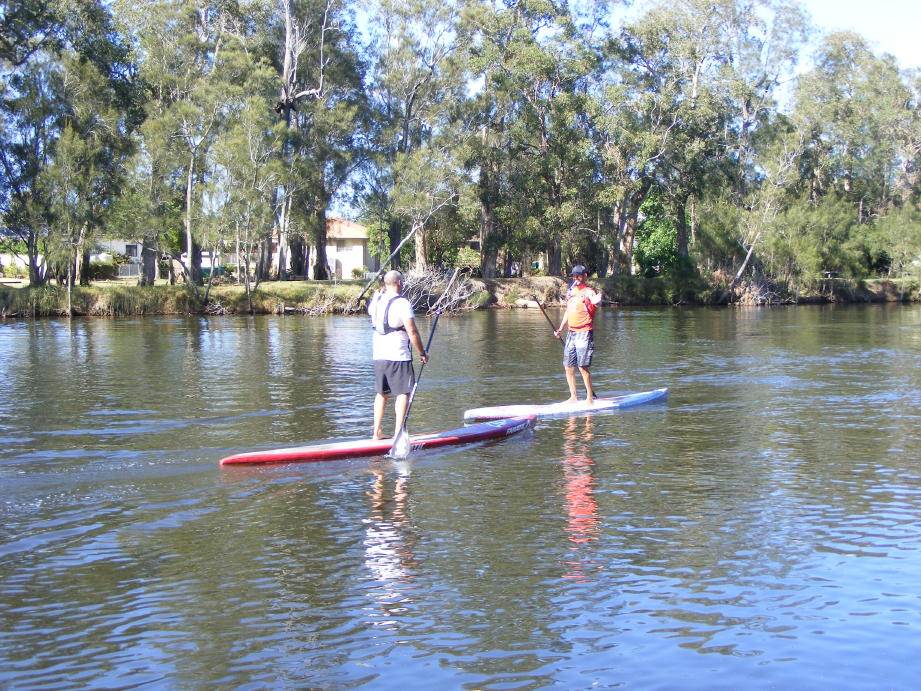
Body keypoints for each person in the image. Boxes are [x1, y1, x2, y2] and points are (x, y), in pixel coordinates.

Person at [368, 270, 428, 439]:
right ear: (400, 283)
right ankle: (398, 434)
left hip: (378, 354)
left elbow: (373, 314)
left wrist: (378, 294)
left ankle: (377, 432)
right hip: (398, 355)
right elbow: (412, 332)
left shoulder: (376, 300)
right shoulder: (402, 303)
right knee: (403, 393)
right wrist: (422, 353)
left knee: (382, 394)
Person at [554, 265, 603, 403]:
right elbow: (568, 311)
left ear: (585, 275)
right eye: (574, 276)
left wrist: (597, 300)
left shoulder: (589, 292)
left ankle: (589, 398)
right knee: (568, 366)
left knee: (582, 367)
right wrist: (560, 328)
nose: (576, 278)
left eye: (579, 275)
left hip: (584, 333)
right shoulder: (571, 292)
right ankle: (573, 397)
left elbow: (595, 301)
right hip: (571, 333)